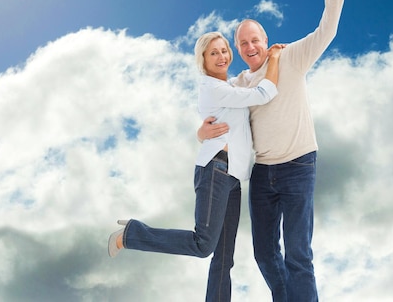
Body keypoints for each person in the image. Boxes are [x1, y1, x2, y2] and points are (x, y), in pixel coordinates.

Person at [197, 0, 346, 301]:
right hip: (263, 174)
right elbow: (215, 117)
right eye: (244, 43)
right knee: (264, 253)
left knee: (298, 255)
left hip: (298, 166)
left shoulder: (293, 56)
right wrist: (201, 133)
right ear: (238, 49)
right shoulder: (239, 83)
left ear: (266, 40)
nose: (251, 48)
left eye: (255, 40)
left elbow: (328, 29)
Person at [108, 31, 284, 301]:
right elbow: (264, 93)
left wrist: (199, 134)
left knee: (224, 257)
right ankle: (132, 235)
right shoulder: (213, 88)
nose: (221, 56)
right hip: (215, 171)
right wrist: (274, 58)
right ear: (203, 59)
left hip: (232, 176)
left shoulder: (231, 88)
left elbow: (244, 100)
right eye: (213, 53)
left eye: (224, 50)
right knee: (203, 245)